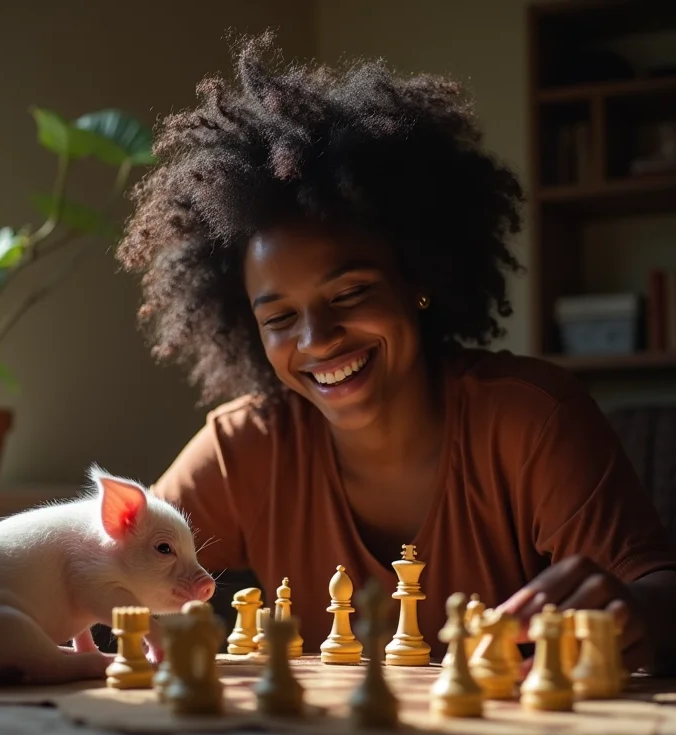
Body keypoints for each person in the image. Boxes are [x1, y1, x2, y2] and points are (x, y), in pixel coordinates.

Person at [116, 32, 676, 672]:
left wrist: (636, 613)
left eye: (350, 293)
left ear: (420, 281)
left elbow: (658, 590)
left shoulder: (533, 420)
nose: (317, 339)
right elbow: (114, 562)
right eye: (279, 317)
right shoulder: (245, 446)